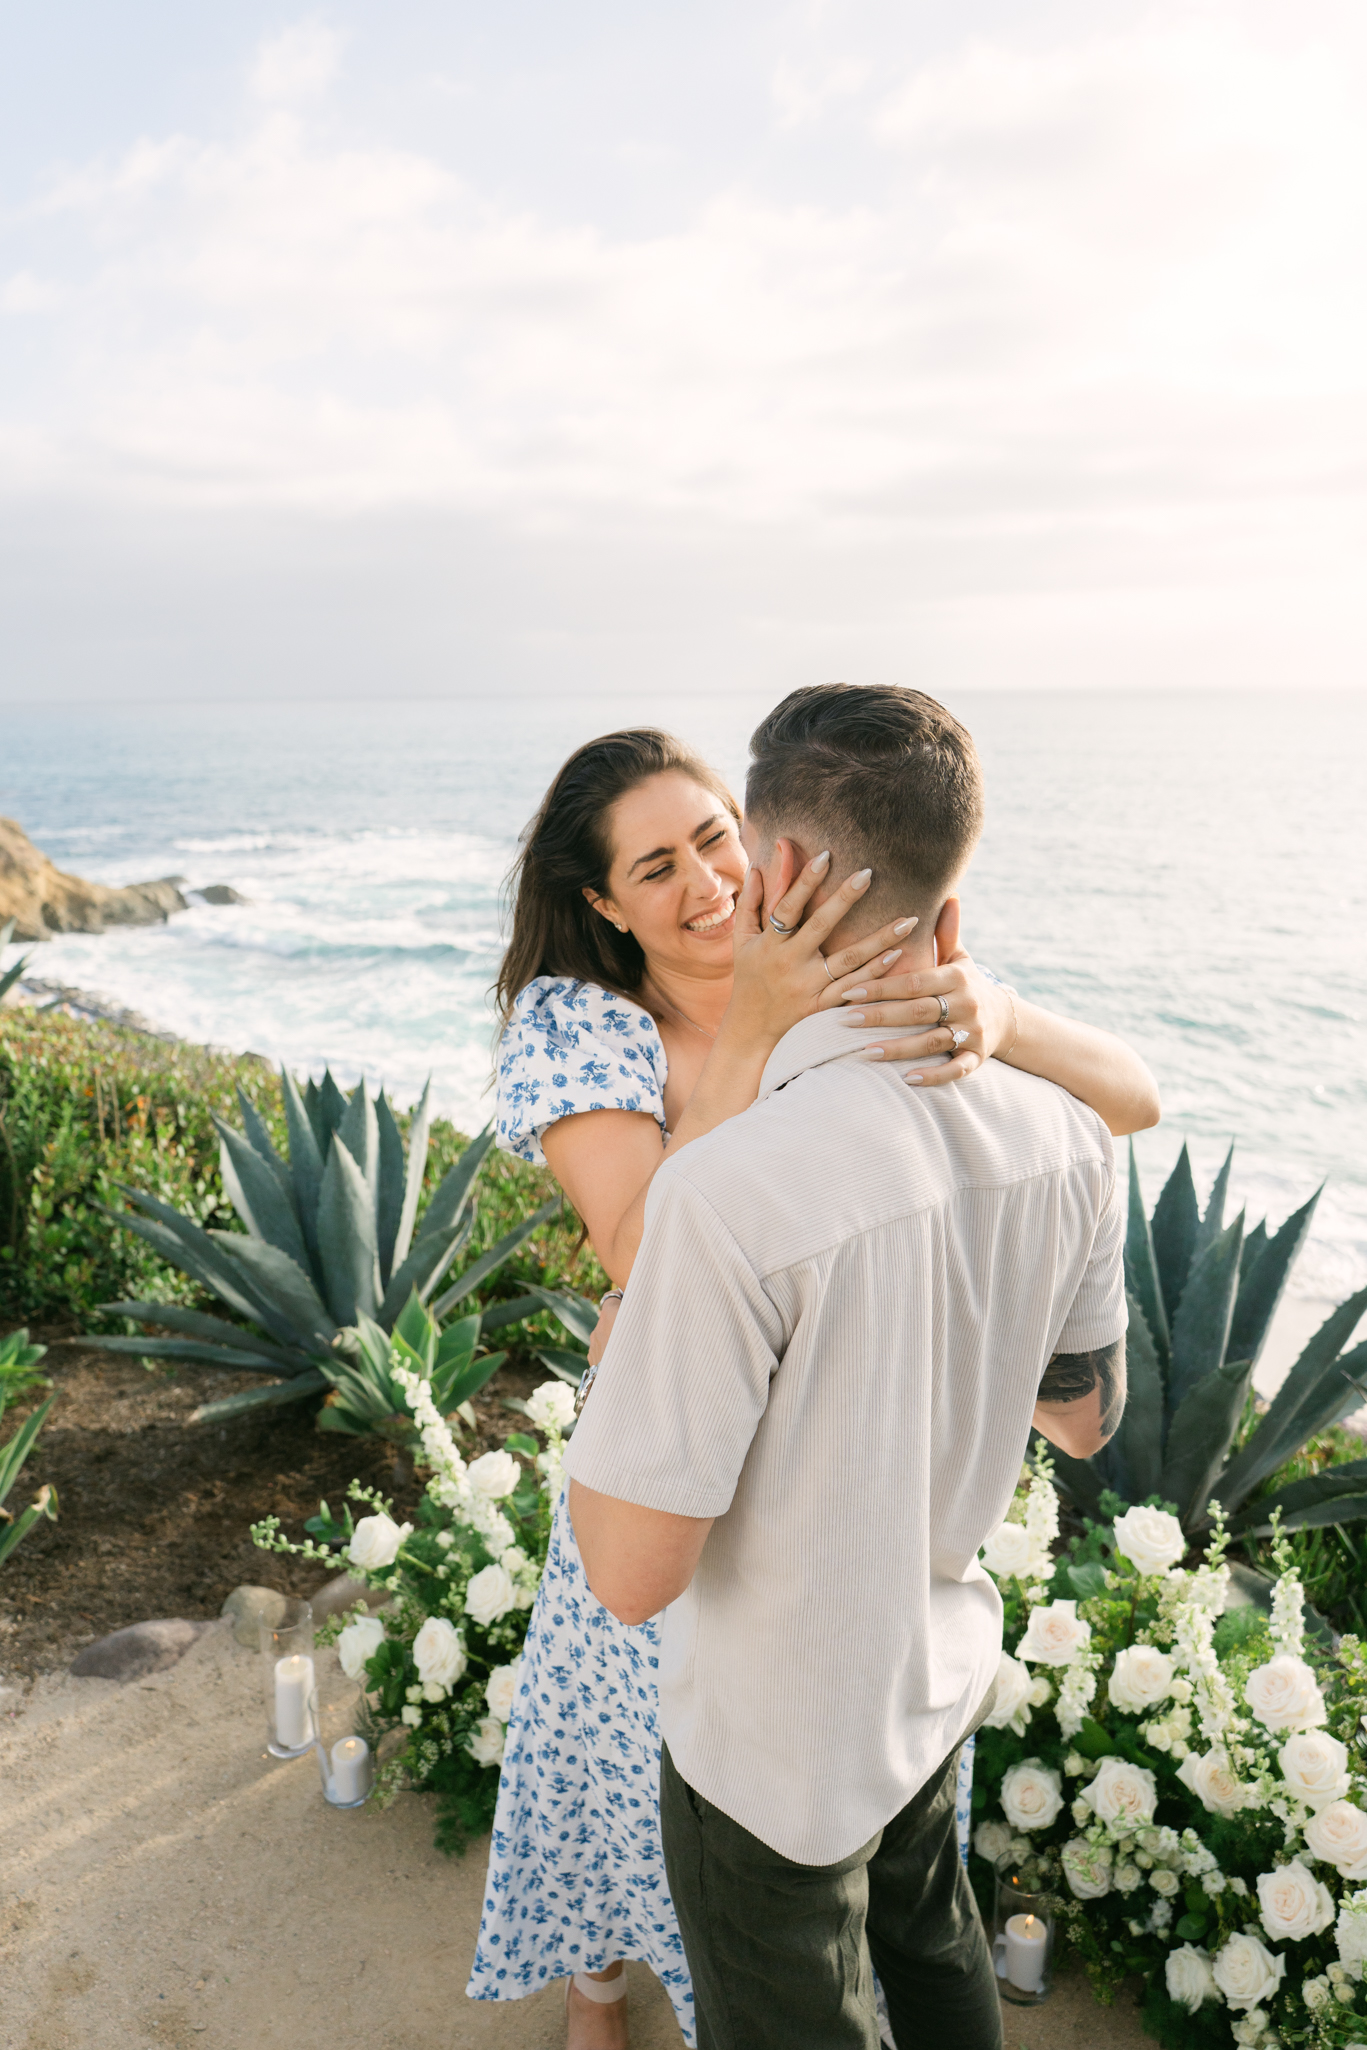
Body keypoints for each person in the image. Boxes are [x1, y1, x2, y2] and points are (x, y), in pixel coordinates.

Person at [466, 716, 1157, 2049]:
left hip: (827, 1533)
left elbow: (1123, 1098)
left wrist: (1000, 1011)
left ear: (772, 850)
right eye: (656, 867)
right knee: (642, 1781)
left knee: (784, 1870)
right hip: (677, 1484)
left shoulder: (904, 989)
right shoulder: (589, 1026)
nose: (707, 883)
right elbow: (637, 1247)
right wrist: (755, 1038)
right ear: (602, 905)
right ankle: (600, 1990)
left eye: (716, 838)